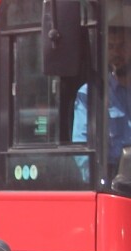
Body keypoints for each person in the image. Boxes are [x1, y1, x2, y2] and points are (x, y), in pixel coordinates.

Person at [73, 21, 131, 180]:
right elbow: (82, 146)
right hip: (114, 182)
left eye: (122, 46)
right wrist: (99, 180)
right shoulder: (90, 94)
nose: (116, 53)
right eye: (111, 47)